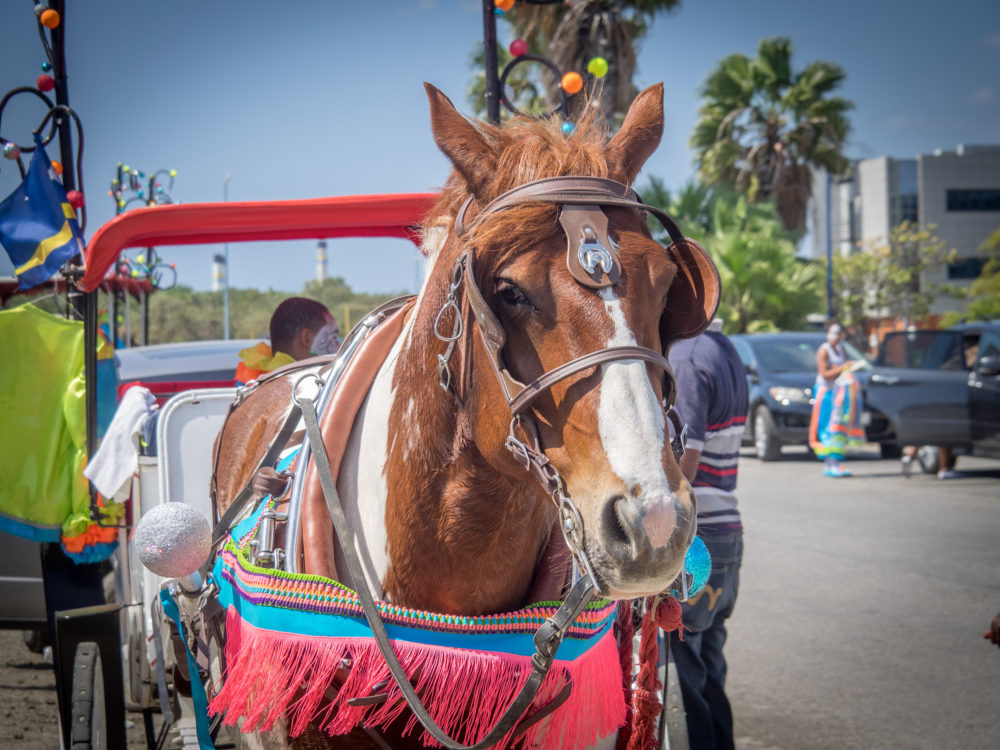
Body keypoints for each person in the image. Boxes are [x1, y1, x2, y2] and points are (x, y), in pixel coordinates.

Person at [668, 318, 749, 750]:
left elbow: (689, 455)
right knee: (709, 669)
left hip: (696, 539)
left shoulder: (687, 356)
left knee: (682, 681)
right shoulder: (724, 349)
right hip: (727, 533)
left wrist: (662, 536)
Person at [235, 297, 340, 384]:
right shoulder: (314, 391)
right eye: (334, 337)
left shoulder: (248, 389)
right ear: (306, 338)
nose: (339, 345)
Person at [808, 323, 863, 478]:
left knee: (838, 428)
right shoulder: (824, 350)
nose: (836, 336)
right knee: (827, 428)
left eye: (839, 333)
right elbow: (825, 373)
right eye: (834, 333)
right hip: (825, 394)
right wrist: (842, 368)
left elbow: (842, 369)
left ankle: (835, 463)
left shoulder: (840, 349)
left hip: (839, 393)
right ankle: (830, 464)